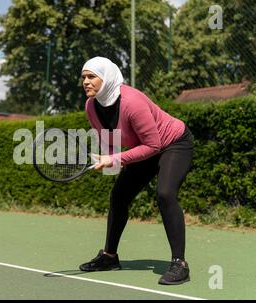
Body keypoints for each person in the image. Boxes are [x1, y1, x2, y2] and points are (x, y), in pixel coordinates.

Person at [79, 57, 194, 285]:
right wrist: (109, 161)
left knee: (165, 193)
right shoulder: (91, 106)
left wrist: (116, 157)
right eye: (83, 77)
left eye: (92, 76)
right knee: (119, 196)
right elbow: (109, 142)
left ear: (107, 77)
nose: (85, 82)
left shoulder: (132, 102)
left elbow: (154, 146)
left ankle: (180, 264)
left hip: (174, 143)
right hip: (145, 147)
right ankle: (109, 257)